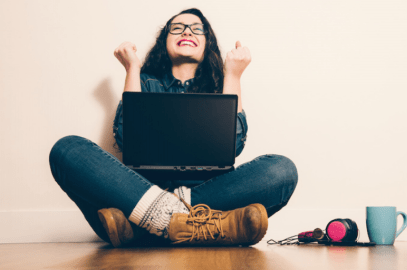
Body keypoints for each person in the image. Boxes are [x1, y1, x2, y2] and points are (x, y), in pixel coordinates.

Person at [48, 8, 298, 248]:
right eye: (177, 28)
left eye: (196, 29)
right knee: (67, 150)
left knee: (282, 171)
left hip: (207, 194)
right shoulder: (144, 82)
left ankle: (147, 229)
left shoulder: (219, 87)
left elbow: (234, 146)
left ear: (207, 43)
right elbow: (127, 137)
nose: (187, 32)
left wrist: (232, 76)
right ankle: (201, 226)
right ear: (164, 41)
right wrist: (132, 69)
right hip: (140, 190)